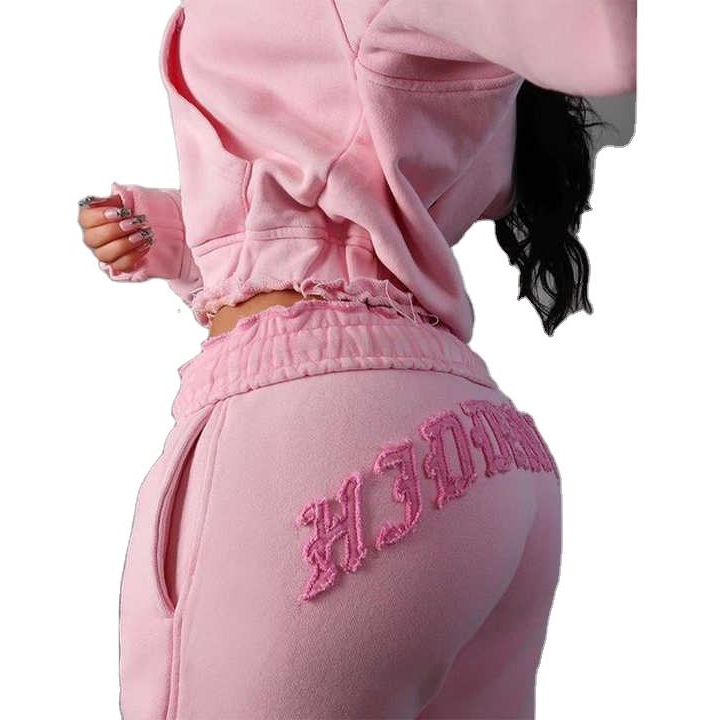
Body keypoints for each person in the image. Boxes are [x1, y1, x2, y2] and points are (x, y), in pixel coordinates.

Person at [76, 2, 636, 718]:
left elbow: (602, 39)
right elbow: (360, 190)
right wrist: (191, 240)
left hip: (323, 440)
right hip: (486, 451)